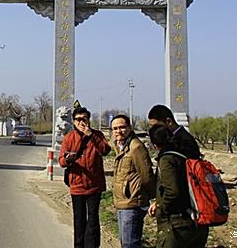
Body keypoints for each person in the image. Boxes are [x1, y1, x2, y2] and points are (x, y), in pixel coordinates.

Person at [59, 105, 112, 248]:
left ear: (89, 120)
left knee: (93, 220)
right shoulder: (69, 138)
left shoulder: (97, 135)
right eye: (78, 119)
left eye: (84, 119)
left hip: (95, 185)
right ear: (73, 121)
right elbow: (61, 161)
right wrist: (69, 159)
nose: (81, 122)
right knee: (79, 221)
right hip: (77, 185)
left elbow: (105, 150)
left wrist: (91, 135)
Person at [148, 125, 208, 247]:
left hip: (178, 225)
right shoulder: (184, 155)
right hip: (198, 221)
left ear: (154, 144)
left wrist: (161, 207)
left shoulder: (166, 159)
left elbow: (172, 191)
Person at [110, 114, 156, 248]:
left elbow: (146, 176)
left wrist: (154, 198)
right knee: (126, 243)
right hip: (122, 203)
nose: (118, 131)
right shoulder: (120, 145)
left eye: (122, 127)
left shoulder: (136, 147)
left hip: (133, 202)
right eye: (115, 128)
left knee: (130, 244)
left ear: (129, 128)